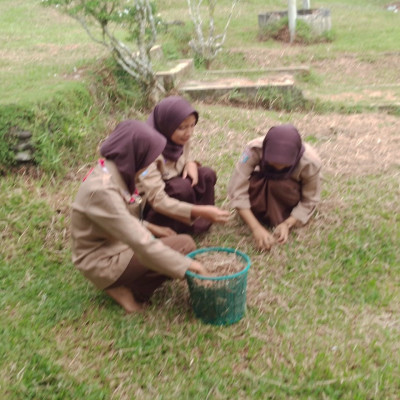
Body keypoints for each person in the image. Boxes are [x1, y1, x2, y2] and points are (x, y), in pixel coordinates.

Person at [71, 120, 208, 314]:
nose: (151, 165)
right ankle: (124, 288)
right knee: (184, 245)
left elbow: (117, 217)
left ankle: (127, 283)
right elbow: (142, 244)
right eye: (148, 160)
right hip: (102, 259)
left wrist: (151, 227)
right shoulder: (102, 191)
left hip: (113, 242)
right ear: (135, 155)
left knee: (170, 243)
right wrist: (189, 266)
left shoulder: (111, 170)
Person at [137, 95, 230, 234]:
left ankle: (199, 222)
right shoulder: (149, 151)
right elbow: (156, 198)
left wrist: (190, 163)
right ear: (165, 125)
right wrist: (197, 210)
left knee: (206, 174)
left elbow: (185, 157)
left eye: (192, 125)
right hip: (153, 205)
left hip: (172, 187)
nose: (189, 133)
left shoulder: (178, 139)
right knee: (181, 187)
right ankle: (181, 224)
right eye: (181, 127)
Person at [227, 124, 322, 251]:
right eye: (273, 162)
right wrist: (255, 227)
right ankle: (257, 211)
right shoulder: (253, 149)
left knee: (278, 184)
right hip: (259, 186)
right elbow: (237, 188)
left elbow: (309, 200)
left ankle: (281, 213)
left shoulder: (310, 163)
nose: (278, 167)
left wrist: (287, 224)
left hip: (287, 193)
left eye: (284, 165)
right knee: (272, 183)